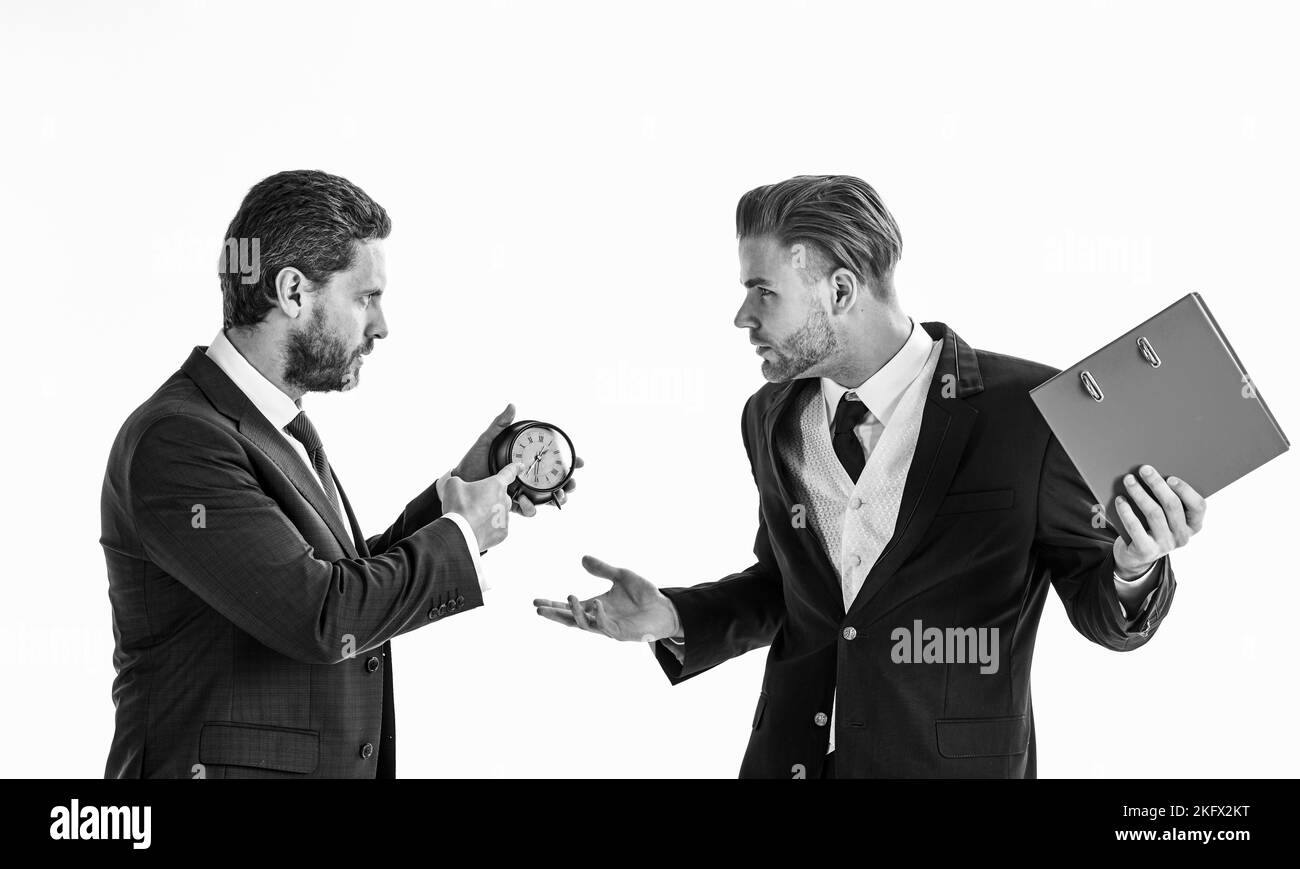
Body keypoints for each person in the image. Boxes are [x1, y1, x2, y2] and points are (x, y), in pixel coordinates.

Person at [535, 175, 1203, 778]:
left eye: (763, 291)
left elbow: (1101, 604)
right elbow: (789, 587)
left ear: (841, 289)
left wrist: (1135, 566)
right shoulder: (768, 415)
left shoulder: (1029, 411)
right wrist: (675, 614)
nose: (743, 318)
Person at [101, 169, 579, 778]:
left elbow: (335, 580)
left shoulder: (277, 424)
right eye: (365, 297)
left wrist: (454, 494)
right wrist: (461, 534)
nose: (381, 327)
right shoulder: (180, 439)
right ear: (293, 293)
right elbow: (321, 616)